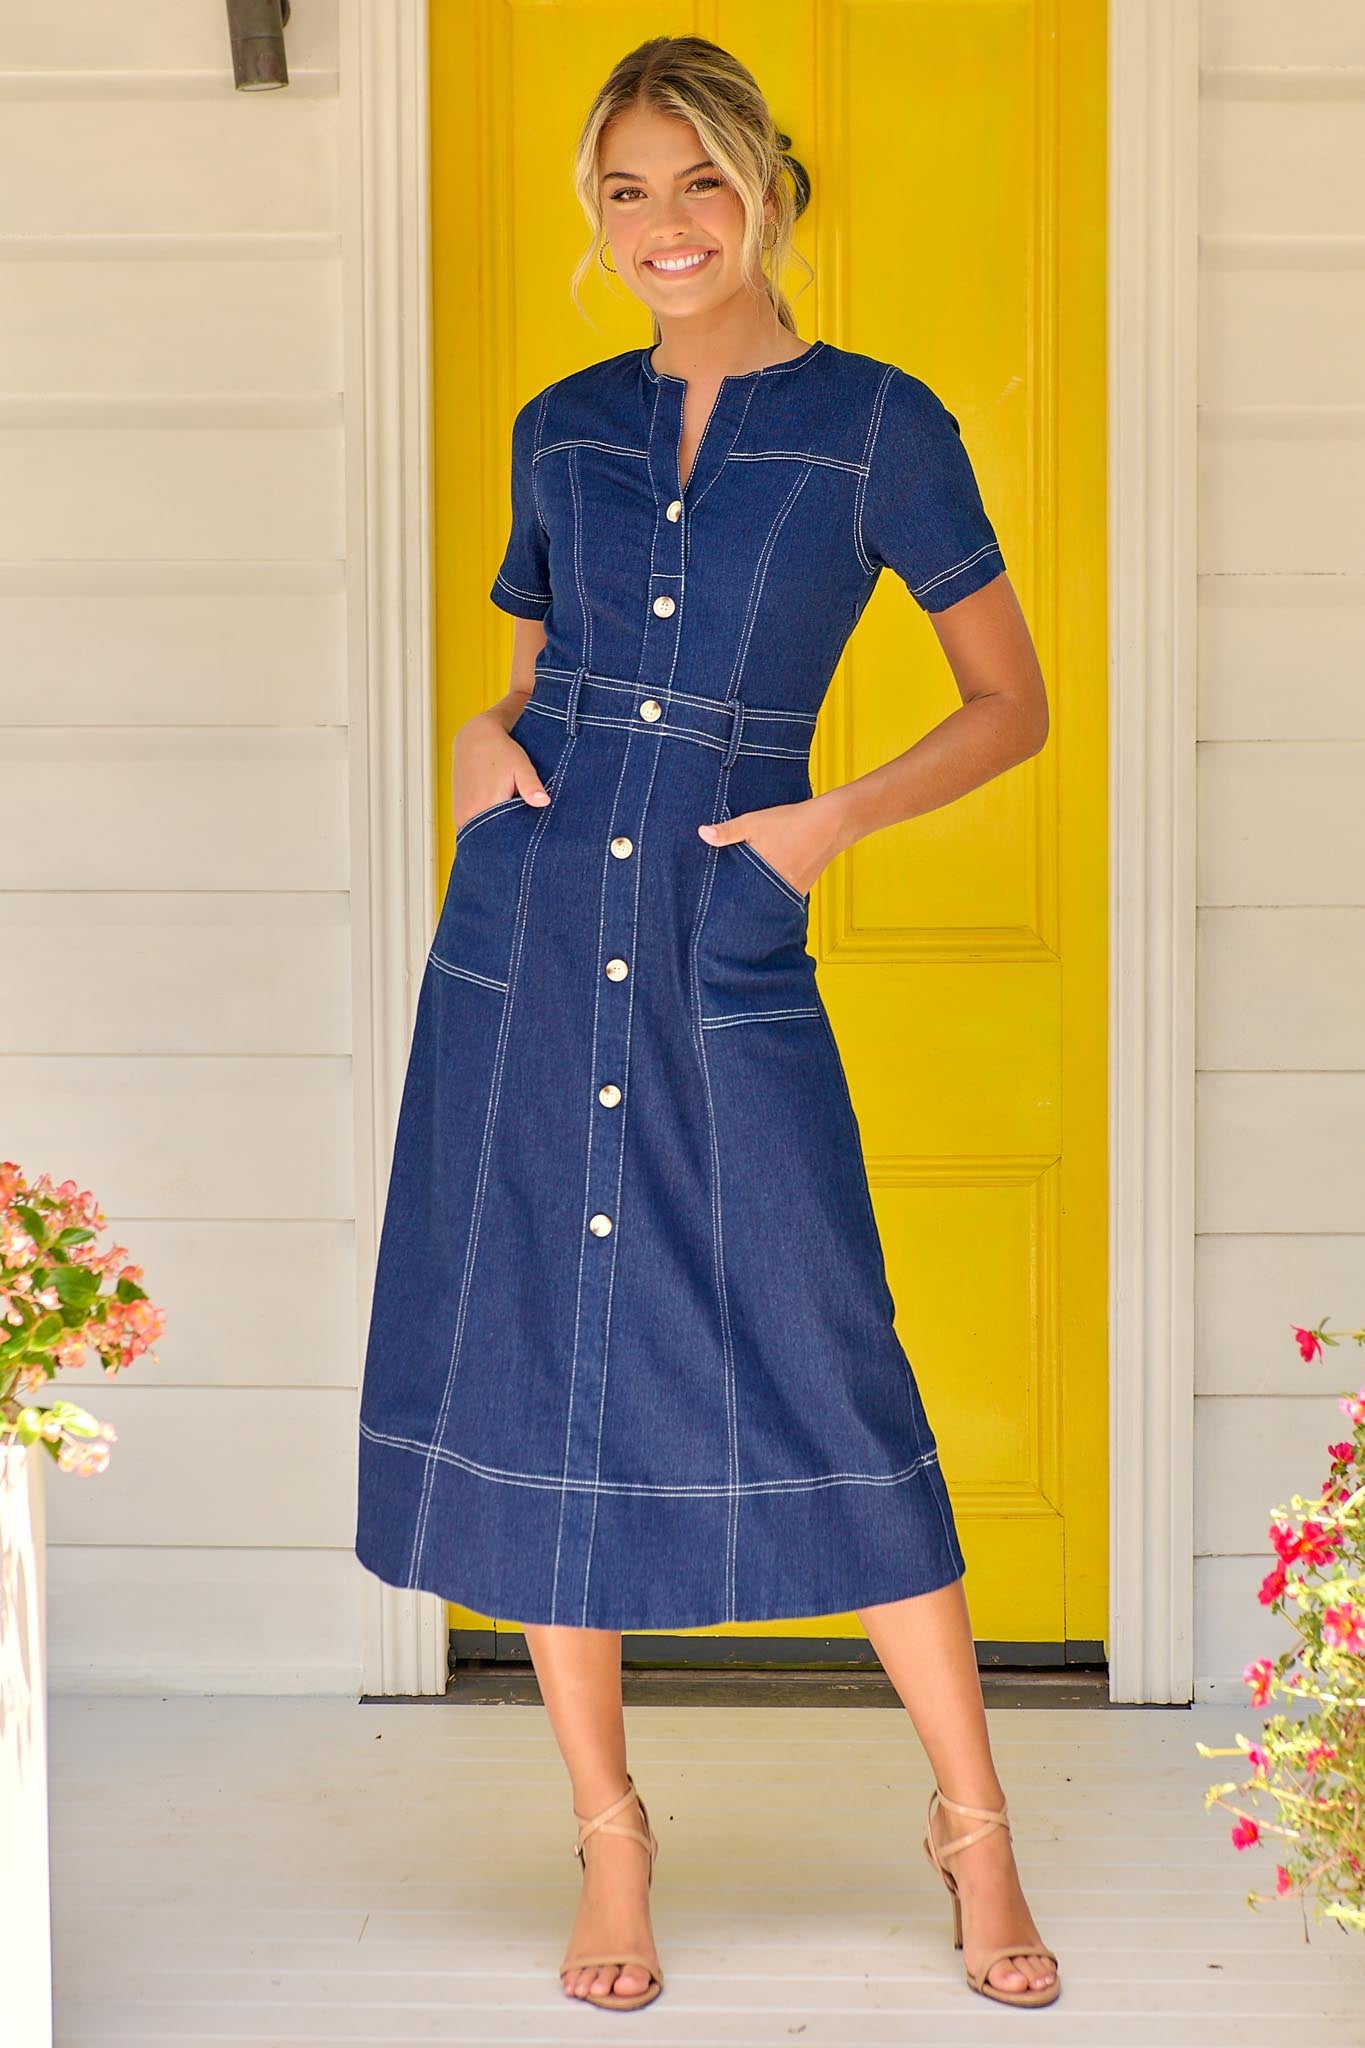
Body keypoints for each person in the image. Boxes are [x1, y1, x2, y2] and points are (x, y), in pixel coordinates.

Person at [356, 30, 1057, 2016]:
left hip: (725, 922)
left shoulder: (874, 427)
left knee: (826, 1351)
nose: (660, 225)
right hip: (533, 911)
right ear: (593, 218)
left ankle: (972, 1829)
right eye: (621, 190)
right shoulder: (558, 425)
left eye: (694, 183)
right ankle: (610, 1837)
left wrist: (822, 830)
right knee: (550, 1354)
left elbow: (1008, 699)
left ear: (763, 191)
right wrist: (484, 741)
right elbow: (523, 671)